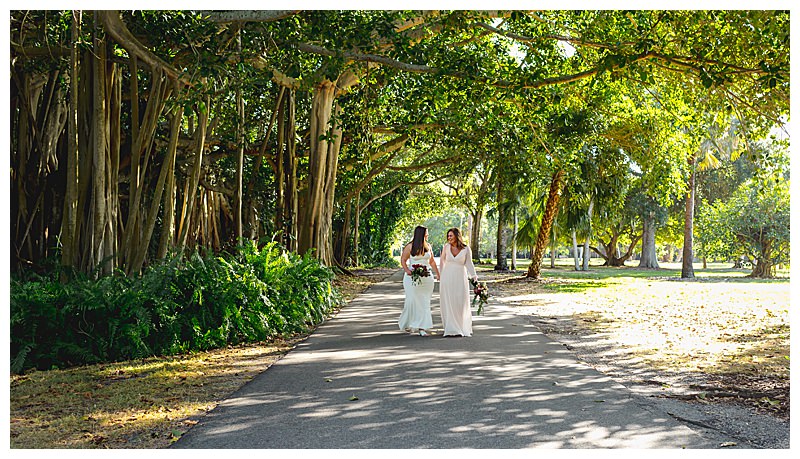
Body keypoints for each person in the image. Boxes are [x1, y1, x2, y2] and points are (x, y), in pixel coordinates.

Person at [399, 226, 440, 336]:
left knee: (424, 301)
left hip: (427, 279)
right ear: (420, 234)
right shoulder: (410, 246)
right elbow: (403, 259)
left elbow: (431, 262)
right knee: (412, 300)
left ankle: (422, 327)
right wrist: (407, 270)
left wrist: (438, 274)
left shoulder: (428, 246)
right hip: (412, 278)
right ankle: (409, 323)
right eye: (426, 233)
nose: (428, 235)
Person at [439, 227, 478, 337]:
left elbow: (469, 264)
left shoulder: (466, 249)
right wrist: (441, 275)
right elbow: (442, 260)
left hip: (460, 277)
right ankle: (450, 327)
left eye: (451, 235)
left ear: (457, 236)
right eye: (448, 236)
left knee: (460, 302)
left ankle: (460, 327)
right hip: (447, 277)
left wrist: (474, 275)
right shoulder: (446, 247)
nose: (449, 237)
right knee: (449, 301)